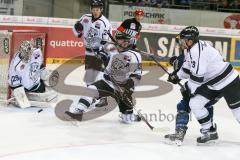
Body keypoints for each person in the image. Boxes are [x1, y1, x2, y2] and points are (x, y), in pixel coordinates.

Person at [167, 26, 240, 144]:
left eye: (182, 40)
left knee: (238, 112)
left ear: (190, 41)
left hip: (228, 81)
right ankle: (209, 131)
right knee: (195, 103)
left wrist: (188, 89)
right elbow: (186, 68)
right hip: (213, 82)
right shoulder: (190, 49)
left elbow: (197, 78)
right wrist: (176, 76)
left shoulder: (196, 52)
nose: (180, 43)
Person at [65, 31, 142, 124]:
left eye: (118, 40)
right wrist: (101, 56)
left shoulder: (135, 55)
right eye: (116, 39)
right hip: (107, 82)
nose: (116, 42)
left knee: (127, 120)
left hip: (122, 87)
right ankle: (78, 113)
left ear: (126, 42)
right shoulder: (112, 48)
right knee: (91, 89)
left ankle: (130, 116)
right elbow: (102, 52)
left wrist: (129, 85)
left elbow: (137, 75)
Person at [164, 44, 221, 146]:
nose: (181, 44)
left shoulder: (191, 53)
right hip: (217, 86)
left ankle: (180, 132)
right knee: (206, 105)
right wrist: (176, 62)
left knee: (184, 104)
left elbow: (183, 72)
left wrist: (176, 70)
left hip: (204, 86)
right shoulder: (200, 50)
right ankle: (210, 131)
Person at [72, 0, 112, 108]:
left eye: (97, 9)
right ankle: (91, 97)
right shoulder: (85, 17)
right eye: (93, 9)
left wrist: (102, 50)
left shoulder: (105, 22)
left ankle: (103, 98)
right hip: (88, 52)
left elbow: (107, 40)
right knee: (89, 76)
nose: (95, 11)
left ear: (101, 10)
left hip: (99, 53)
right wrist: (77, 29)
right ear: (91, 9)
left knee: (99, 76)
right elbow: (76, 28)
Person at [8, 40, 58, 108]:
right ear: (20, 50)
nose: (26, 54)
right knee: (42, 89)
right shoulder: (16, 63)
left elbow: (39, 65)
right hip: (29, 86)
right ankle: (40, 96)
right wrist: (19, 93)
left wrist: (43, 71)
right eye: (24, 52)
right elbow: (12, 80)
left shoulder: (35, 53)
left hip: (34, 81)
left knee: (52, 75)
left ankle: (37, 95)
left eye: (28, 51)